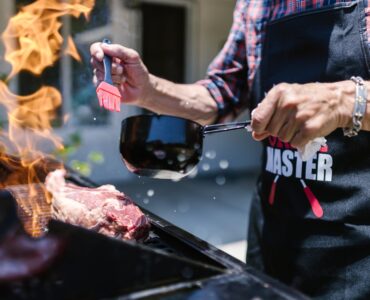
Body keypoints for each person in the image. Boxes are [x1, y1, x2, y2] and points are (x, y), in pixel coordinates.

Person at [90, 0, 370, 298]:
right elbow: (220, 95)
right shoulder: (257, 5)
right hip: (272, 233)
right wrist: (148, 89)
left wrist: (345, 100)